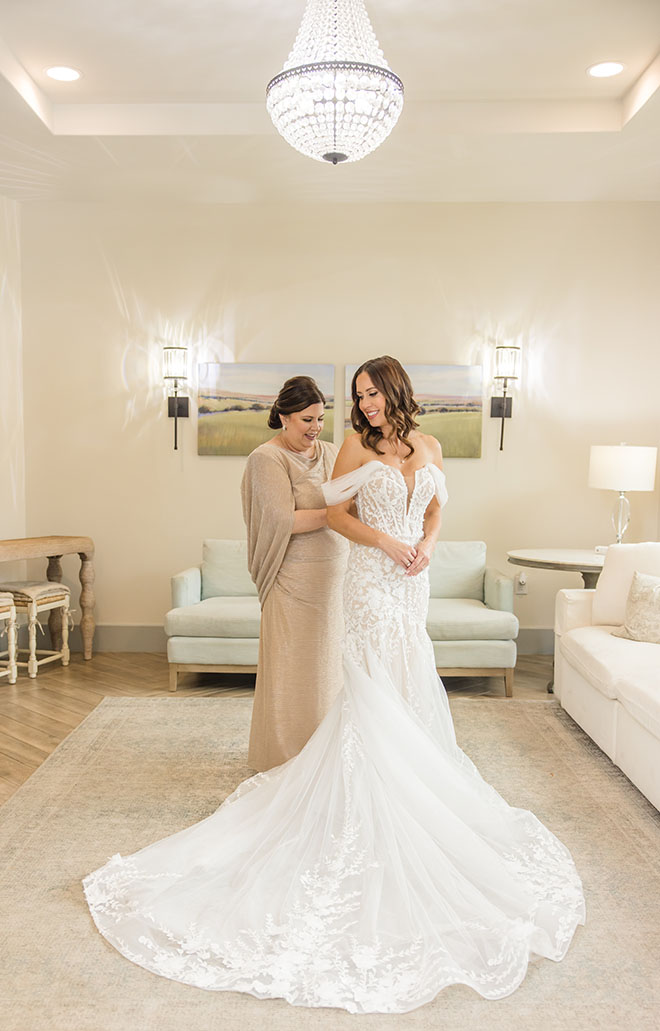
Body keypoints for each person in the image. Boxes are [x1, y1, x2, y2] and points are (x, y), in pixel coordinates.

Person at [84, 356, 584, 1015]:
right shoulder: (354, 445)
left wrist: (428, 543)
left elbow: (434, 507)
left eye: (373, 393)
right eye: (359, 395)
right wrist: (384, 541)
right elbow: (338, 514)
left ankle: (418, 788)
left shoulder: (429, 445)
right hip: (373, 582)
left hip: (412, 583)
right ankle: (369, 798)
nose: (365, 404)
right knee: (371, 691)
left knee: (409, 684)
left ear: (396, 390)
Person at [240, 375, 347, 770]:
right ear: (283, 417)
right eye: (307, 419)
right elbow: (280, 522)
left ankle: (325, 756)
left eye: (320, 418)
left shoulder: (332, 452)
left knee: (327, 670)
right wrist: (336, 516)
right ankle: (286, 760)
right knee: (292, 670)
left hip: (335, 582)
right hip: (293, 582)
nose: (315, 428)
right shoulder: (266, 459)